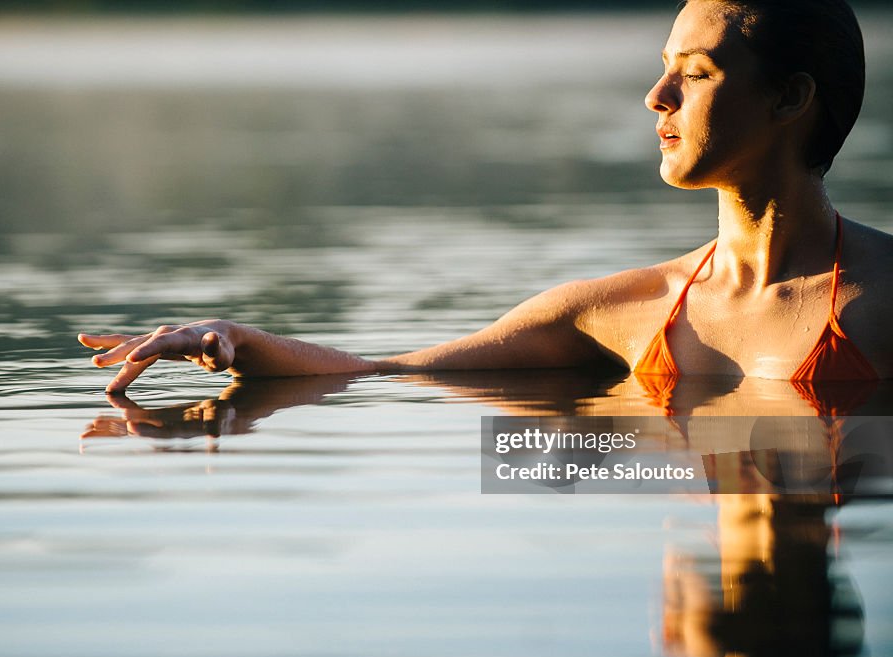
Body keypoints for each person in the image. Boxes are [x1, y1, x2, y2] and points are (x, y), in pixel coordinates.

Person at [80, 0, 891, 398]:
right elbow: (384, 370)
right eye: (665, 67)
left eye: (698, 74)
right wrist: (236, 338)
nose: (656, 97)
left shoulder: (883, 300)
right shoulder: (630, 310)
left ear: (790, 100)